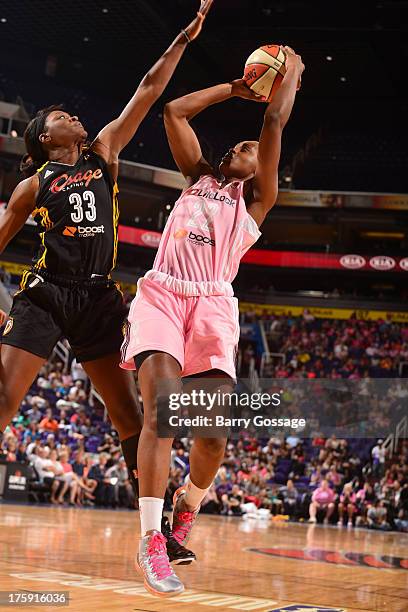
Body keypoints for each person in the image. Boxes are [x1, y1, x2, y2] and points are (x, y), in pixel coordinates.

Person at [0, 0, 213, 562]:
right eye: (59, 116)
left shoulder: (105, 153)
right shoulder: (34, 186)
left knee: (132, 416)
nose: (72, 115)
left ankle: (160, 529)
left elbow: (147, 89)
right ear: (44, 137)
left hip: (98, 298)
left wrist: (184, 39)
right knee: (4, 399)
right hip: (46, 293)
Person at [121, 46, 304, 595]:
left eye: (252, 149)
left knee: (213, 437)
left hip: (213, 307)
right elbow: (174, 110)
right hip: (161, 295)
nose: (245, 148)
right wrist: (233, 87)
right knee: (163, 412)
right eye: (240, 145)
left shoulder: (256, 203)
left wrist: (288, 76)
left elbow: (273, 120)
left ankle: (187, 507)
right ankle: (151, 541)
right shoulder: (196, 176)